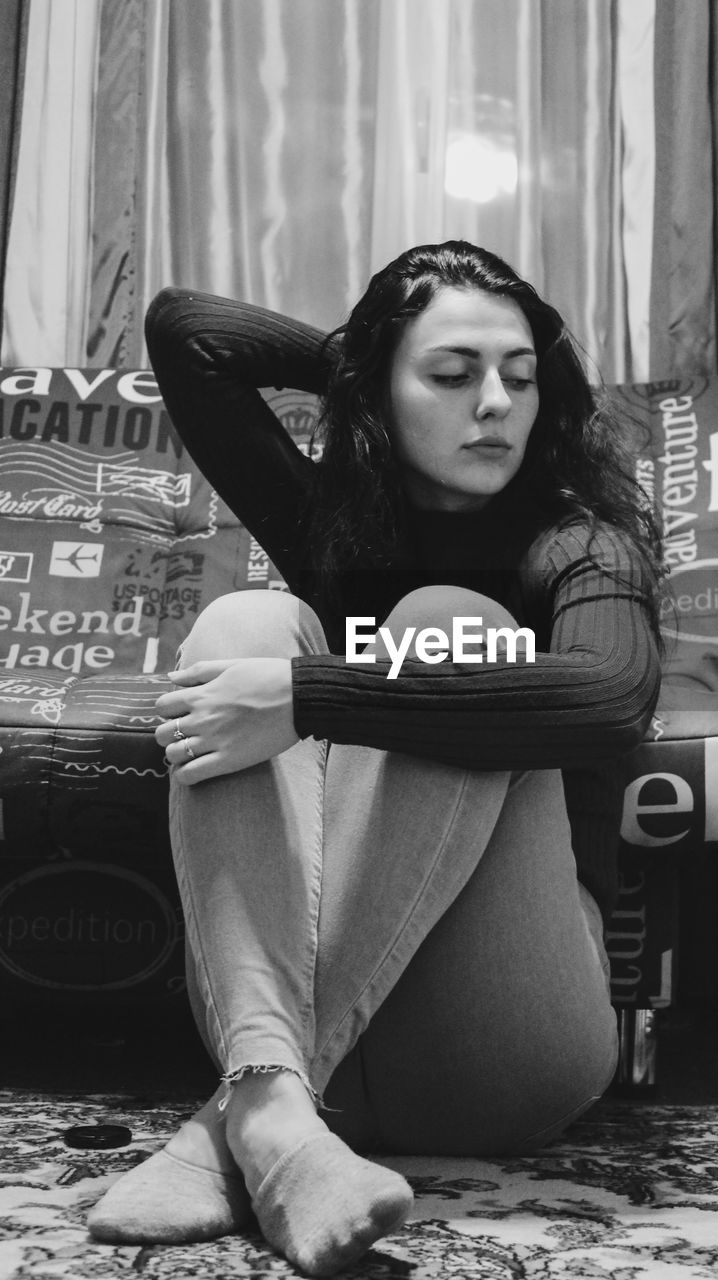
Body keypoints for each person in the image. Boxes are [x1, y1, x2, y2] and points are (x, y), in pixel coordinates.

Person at [87, 241, 664, 1276]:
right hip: (321, 1037)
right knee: (244, 624)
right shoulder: (335, 527)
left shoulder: (576, 546)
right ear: (382, 388)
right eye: (451, 374)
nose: (494, 403)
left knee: (450, 623)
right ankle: (279, 1115)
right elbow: (187, 331)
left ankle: (237, 1118)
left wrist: (311, 698)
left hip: (505, 1046)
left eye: (521, 378)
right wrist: (366, 365)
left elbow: (609, 699)